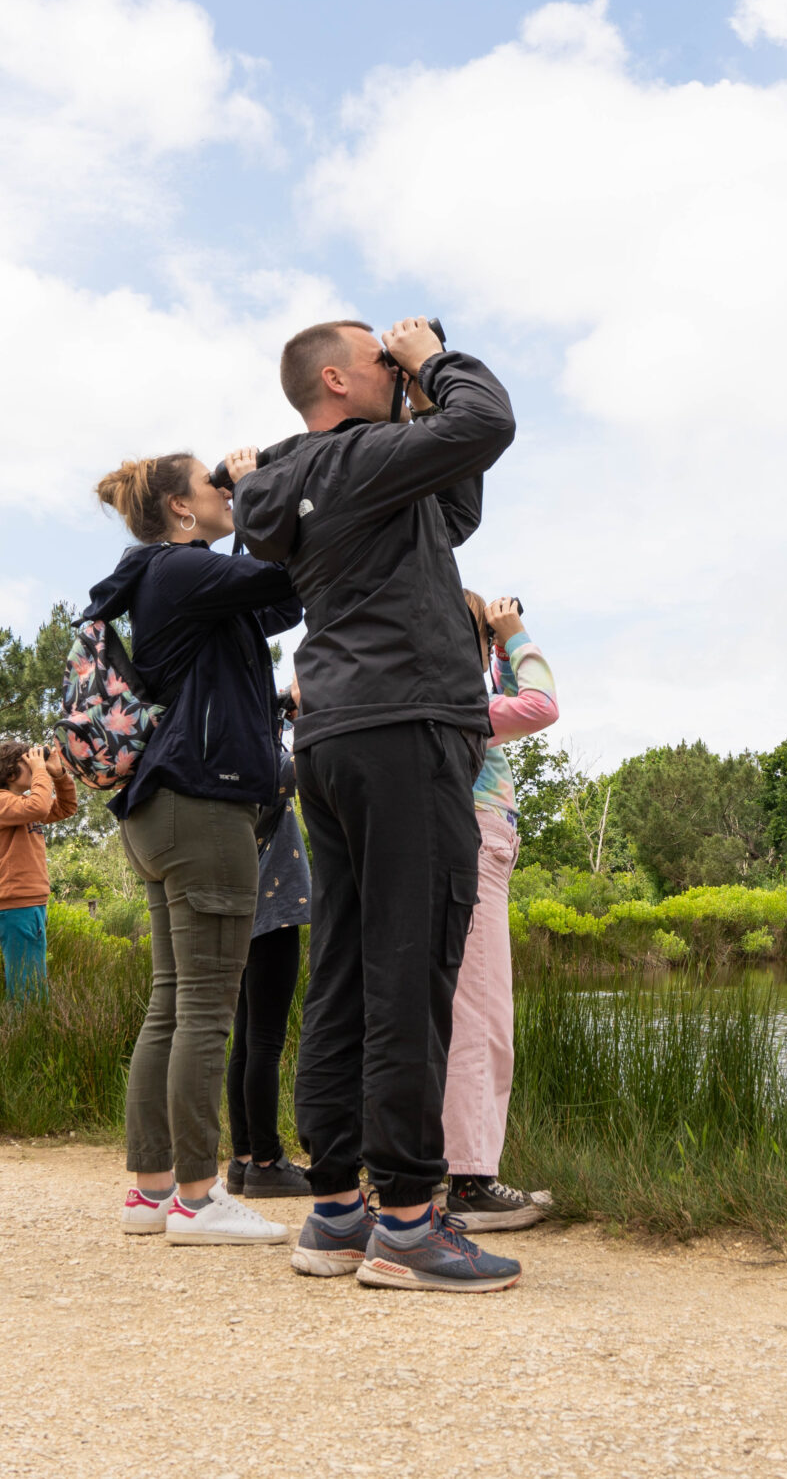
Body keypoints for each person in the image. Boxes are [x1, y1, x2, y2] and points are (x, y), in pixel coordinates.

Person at [233, 316, 522, 1291]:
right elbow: (488, 422)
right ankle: (407, 1220)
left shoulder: (307, 479)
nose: (392, 365)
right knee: (409, 969)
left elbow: (453, 504)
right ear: (334, 378)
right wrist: (435, 360)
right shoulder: (357, 460)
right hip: (405, 727)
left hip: (336, 736)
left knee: (347, 970)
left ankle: (337, 1212)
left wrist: (414, 390)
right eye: (377, 357)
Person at [89, 449, 303, 1246]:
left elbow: (284, 600)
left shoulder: (176, 582)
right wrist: (257, 488)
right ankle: (196, 1198)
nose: (224, 493)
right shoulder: (179, 572)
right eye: (212, 486)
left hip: (164, 808)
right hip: (202, 805)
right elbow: (282, 573)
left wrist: (250, 502)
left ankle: (150, 1194)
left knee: (172, 1004)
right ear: (181, 509)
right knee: (207, 1010)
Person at [443, 593, 559, 1230]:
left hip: (459, 842)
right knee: (482, 1017)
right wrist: (515, 634)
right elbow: (541, 704)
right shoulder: (465, 704)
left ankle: (446, 1170)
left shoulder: (435, 692)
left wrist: (492, 648)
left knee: (452, 1012)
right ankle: (472, 1184)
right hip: (478, 845)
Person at [225, 690, 313, 1199]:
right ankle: (265, 1160)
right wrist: (303, 715)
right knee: (265, 1043)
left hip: (245, 913)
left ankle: (242, 1159)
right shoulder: (264, 766)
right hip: (273, 915)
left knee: (245, 1040)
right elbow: (305, 766)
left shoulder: (229, 764)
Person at [0, 739, 78, 1006]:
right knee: (28, 987)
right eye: (28, 762)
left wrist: (58, 774)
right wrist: (41, 773)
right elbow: (39, 807)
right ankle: (25, 1037)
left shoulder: (19, 803)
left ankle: (28, 1031)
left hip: (29, 900)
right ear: (9, 773)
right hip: (15, 903)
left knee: (33, 981)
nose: (35, 765)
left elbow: (67, 807)